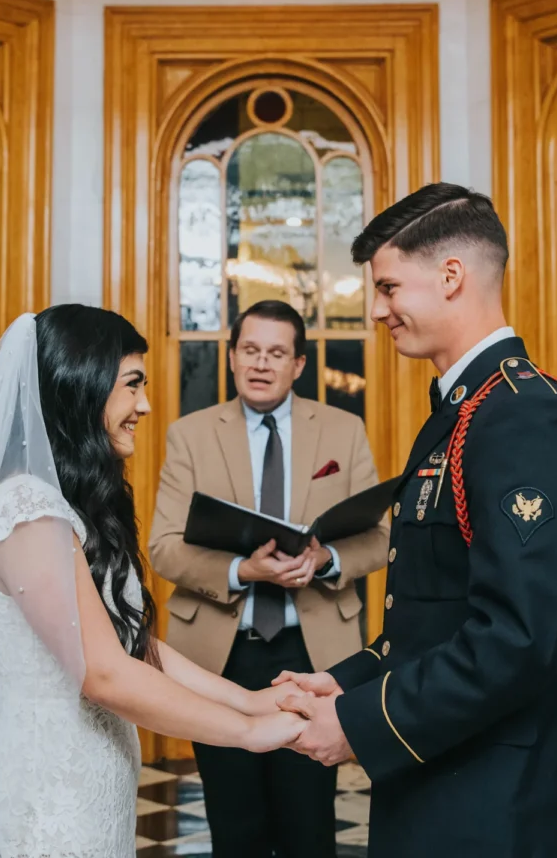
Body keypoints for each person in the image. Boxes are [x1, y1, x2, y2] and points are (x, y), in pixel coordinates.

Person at [276, 184, 557, 856]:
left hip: (498, 804)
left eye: (389, 287)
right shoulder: (464, 411)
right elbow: (436, 616)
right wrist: (347, 681)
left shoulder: (522, 415)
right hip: (441, 775)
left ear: (451, 275)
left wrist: (359, 724)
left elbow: (516, 639)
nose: (377, 310)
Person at [0, 304, 308, 857]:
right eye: (132, 386)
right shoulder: (27, 512)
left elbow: (132, 646)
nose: (144, 405)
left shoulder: (66, 505)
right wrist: (246, 734)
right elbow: (105, 674)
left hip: (92, 785)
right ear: (83, 387)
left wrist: (249, 702)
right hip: (48, 798)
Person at [149, 300, 388, 858]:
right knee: (235, 826)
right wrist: (240, 570)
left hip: (316, 657)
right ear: (232, 357)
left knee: (309, 825)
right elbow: (162, 547)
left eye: (276, 353)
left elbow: (378, 537)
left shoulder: (344, 430)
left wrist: (325, 559)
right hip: (220, 654)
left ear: (299, 364)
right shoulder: (190, 434)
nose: (261, 363)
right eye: (250, 351)